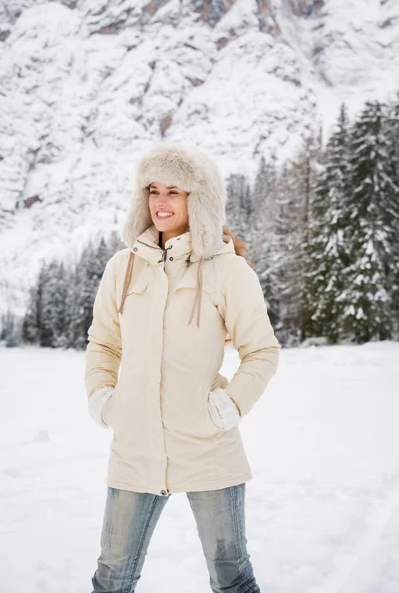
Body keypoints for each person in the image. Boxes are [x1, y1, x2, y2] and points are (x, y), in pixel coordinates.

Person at [84, 142, 281, 592]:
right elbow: (103, 343)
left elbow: (262, 351)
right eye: (153, 189)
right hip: (134, 448)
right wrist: (104, 398)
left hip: (208, 446)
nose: (160, 201)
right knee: (112, 578)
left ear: (200, 199)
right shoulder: (123, 267)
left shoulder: (228, 271)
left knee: (231, 576)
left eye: (174, 190)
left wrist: (228, 405)